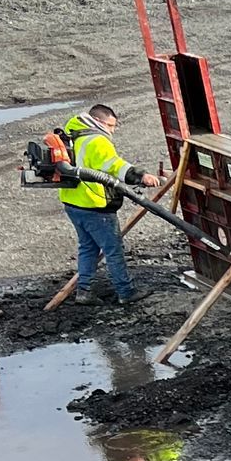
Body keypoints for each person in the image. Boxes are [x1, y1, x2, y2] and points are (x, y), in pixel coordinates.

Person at [58, 103, 157, 309]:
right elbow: (114, 165)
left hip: (72, 202)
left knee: (88, 247)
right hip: (94, 205)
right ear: (98, 121)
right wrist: (141, 176)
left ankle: (84, 291)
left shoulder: (72, 131)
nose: (112, 131)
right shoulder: (97, 140)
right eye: (111, 126)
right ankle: (126, 291)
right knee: (113, 249)